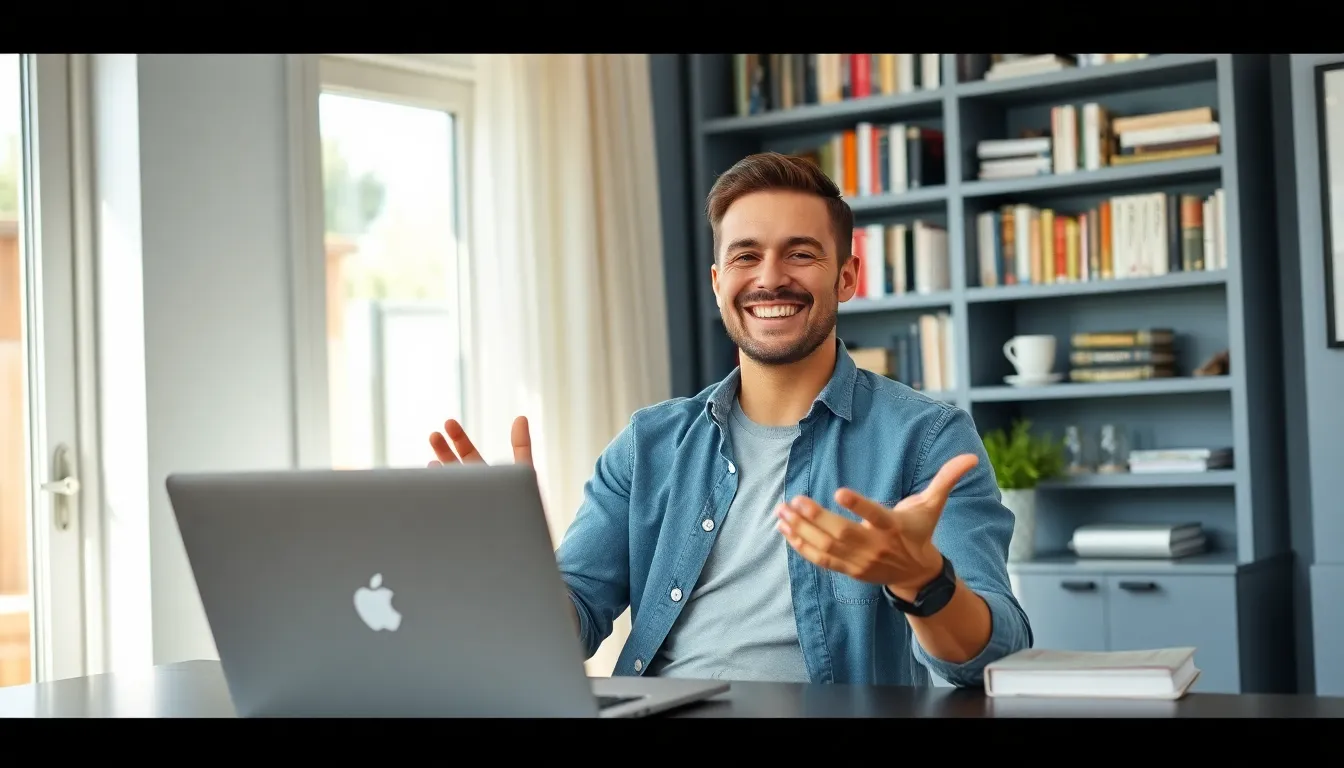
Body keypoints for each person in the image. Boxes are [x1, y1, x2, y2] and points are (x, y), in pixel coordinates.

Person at [429, 151, 1032, 687]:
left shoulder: (925, 439)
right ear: (719, 283)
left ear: (845, 278)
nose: (771, 277)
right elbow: (571, 626)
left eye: (801, 253)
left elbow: (991, 658)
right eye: (747, 255)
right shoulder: (649, 444)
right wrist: (509, 561)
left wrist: (923, 580)